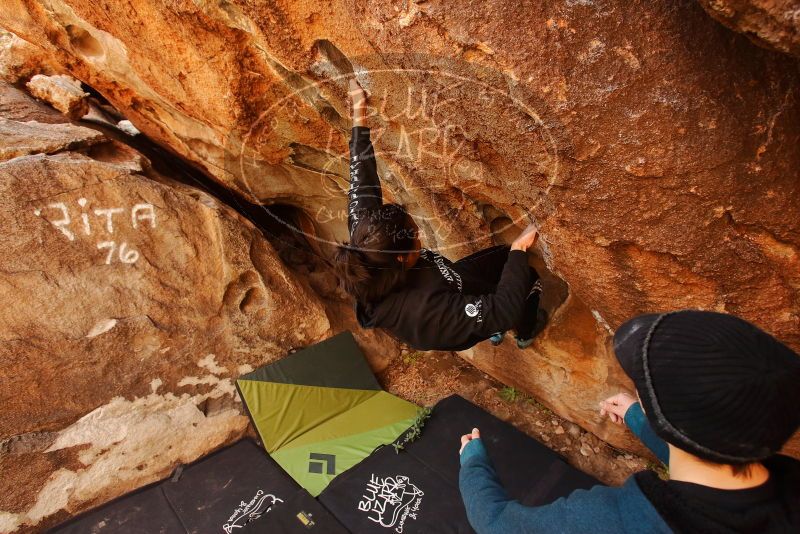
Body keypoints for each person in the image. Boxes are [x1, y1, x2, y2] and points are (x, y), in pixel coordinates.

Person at [458, 310, 800, 533]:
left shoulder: (614, 523)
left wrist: (472, 463)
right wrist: (640, 418)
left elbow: (495, 524)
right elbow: (707, 470)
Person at [334, 79, 546, 351]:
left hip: (454, 280)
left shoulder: (368, 239)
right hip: (455, 311)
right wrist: (519, 248)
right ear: (401, 258)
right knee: (525, 278)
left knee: (504, 260)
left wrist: (358, 110)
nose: (420, 239)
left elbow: (362, 175)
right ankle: (523, 332)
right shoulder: (424, 312)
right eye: (415, 239)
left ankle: (484, 318)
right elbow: (502, 309)